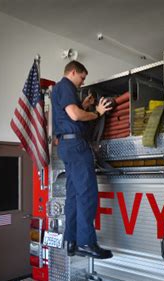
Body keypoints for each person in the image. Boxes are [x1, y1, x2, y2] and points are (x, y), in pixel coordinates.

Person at [51, 60, 113, 259]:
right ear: (73, 72)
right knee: (87, 195)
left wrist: (82, 104)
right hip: (77, 147)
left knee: (74, 196)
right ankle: (87, 242)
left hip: (67, 146)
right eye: (82, 78)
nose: (82, 82)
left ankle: (71, 241)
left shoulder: (59, 90)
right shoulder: (66, 86)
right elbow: (75, 116)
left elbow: (70, 113)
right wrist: (96, 113)